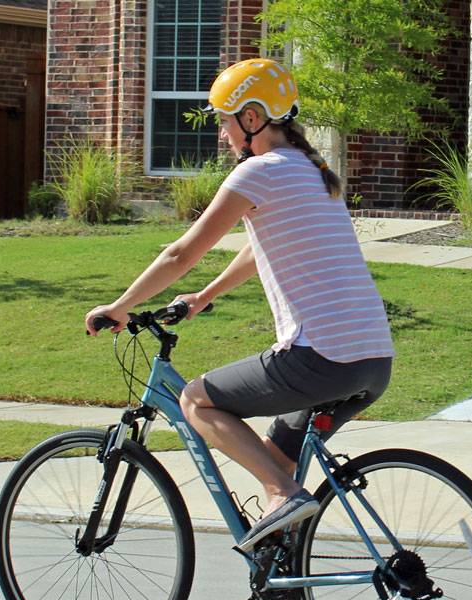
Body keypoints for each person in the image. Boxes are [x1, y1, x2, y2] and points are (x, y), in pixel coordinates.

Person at [84, 58, 394, 561]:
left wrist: (121, 306)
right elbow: (261, 246)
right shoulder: (314, 175)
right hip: (372, 360)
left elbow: (181, 253)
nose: (222, 133)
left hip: (321, 357)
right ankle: (285, 584)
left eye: (225, 121)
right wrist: (204, 297)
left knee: (196, 401)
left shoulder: (260, 171)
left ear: (252, 119)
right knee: (275, 452)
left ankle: (283, 494)